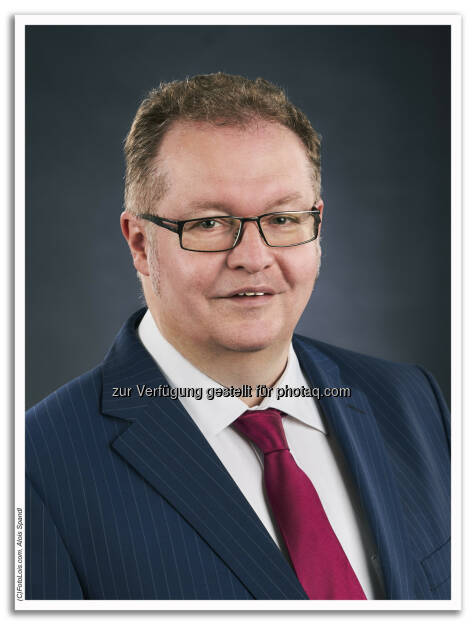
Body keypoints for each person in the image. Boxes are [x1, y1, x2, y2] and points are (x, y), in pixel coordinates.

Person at [25, 73, 450, 601]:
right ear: (139, 243)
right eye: (209, 224)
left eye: (283, 218)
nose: (253, 257)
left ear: (316, 225)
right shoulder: (34, 469)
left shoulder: (412, 402)